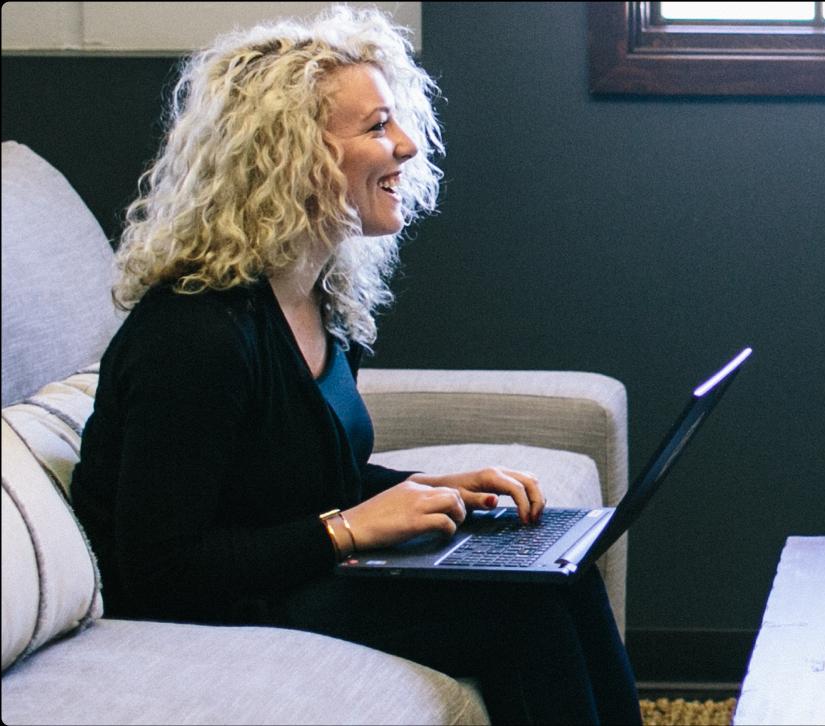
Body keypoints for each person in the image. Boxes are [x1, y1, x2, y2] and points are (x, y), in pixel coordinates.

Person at [70, 7, 639, 723]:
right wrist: (347, 529)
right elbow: (160, 572)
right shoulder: (196, 336)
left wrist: (432, 489)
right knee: (519, 615)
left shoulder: (318, 297)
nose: (405, 145)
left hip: (289, 569)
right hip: (214, 608)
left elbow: (291, 478)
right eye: (376, 128)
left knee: (558, 571)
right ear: (288, 156)